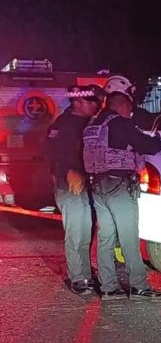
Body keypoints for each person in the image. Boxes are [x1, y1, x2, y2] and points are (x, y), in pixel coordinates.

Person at [82, 90, 161, 300]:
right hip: (119, 185)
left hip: (97, 186)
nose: (130, 113)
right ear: (122, 106)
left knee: (106, 237)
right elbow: (149, 147)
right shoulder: (121, 123)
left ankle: (108, 287)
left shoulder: (93, 126)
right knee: (128, 237)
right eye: (129, 108)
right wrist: (158, 139)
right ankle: (139, 286)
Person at [45, 84, 105, 295]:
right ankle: (76, 277)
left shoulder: (92, 122)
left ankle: (87, 273)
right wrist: (68, 171)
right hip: (69, 184)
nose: (97, 105)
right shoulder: (63, 125)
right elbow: (52, 153)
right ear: (78, 102)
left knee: (87, 229)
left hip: (88, 182)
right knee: (75, 230)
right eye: (93, 102)